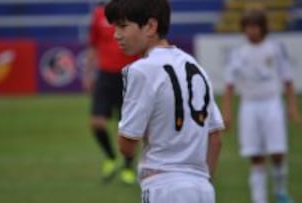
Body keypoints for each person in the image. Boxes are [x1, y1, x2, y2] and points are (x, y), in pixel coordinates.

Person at [104, 0, 224, 202]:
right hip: (203, 188)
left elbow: (127, 146)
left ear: (150, 26)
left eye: (123, 26)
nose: (116, 34)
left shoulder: (141, 70)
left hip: (163, 186)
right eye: (115, 26)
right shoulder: (195, 66)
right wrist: (202, 181)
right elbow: (216, 139)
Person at [222, 9, 300, 203]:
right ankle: (259, 199)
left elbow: (288, 80)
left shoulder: (274, 48)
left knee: (277, 151)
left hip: (272, 104)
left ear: (263, 28)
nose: (251, 31)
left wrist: (292, 107)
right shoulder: (238, 53)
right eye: (248, 27)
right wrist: (227, 113)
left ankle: (281, 192)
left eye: (255, 27)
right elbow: (229, 86)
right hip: (249, 106)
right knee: (255, 155)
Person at [83, 1, 139, 184]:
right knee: (96, 122)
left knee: (127, 128)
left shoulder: (134, 11)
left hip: (130, 75)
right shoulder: (99, 14)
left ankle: (128, 166)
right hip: (106, 76)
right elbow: (93, 45)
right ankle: (110, 157)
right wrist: (89, 73)